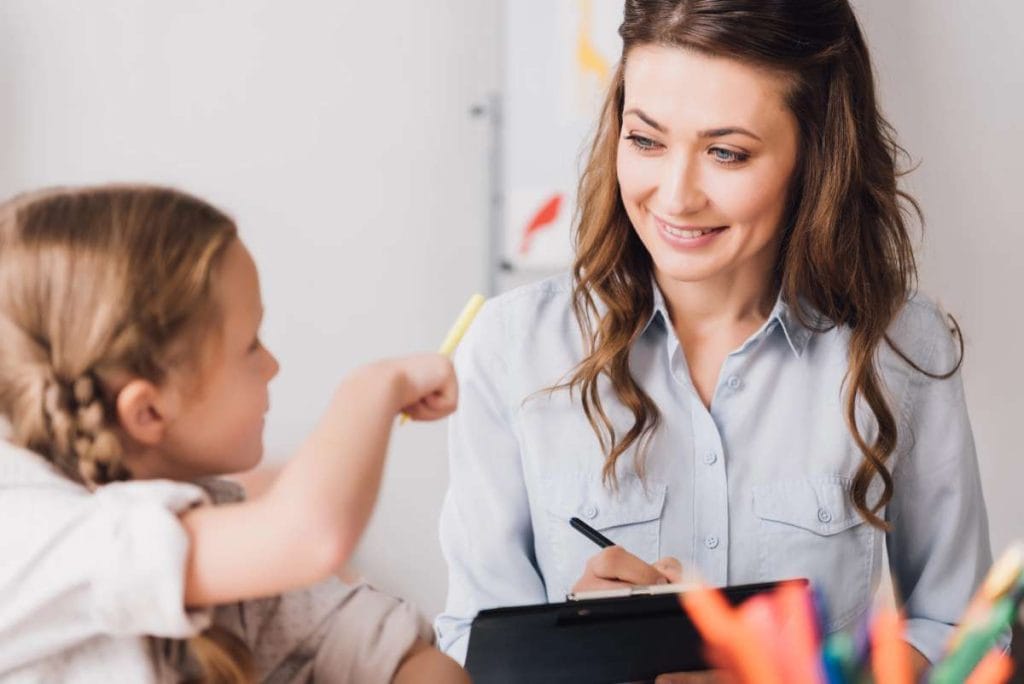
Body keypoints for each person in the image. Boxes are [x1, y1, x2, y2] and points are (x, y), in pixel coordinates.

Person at [436, 0, 991, 677]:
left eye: (726, 153)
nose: (675, 196)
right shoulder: (510, 348)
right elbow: (469, 640)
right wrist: (575, 648)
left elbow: (961, 631)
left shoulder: (904, 346)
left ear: (816, 153)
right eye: (645, 140)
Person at [0, 185, 469, 683]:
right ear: (149, 411)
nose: (272, 365)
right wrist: (373, 388)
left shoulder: (216, 523)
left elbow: (405, 660)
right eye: (250, 346)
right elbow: (306, 536)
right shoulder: (26, 534)